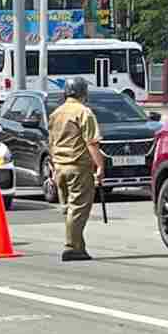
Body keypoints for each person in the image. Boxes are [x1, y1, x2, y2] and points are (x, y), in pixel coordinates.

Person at [48, 77, 105, 262]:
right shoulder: (84, 112)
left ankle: (79, 247)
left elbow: (51, 142)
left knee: (68, 209)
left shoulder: (56, 113)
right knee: (79, 208)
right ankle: (71, 247)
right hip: (78, 167)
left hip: (59, 167)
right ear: (83, 93)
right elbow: (92, 143)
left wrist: (53, 166)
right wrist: (100, 166)